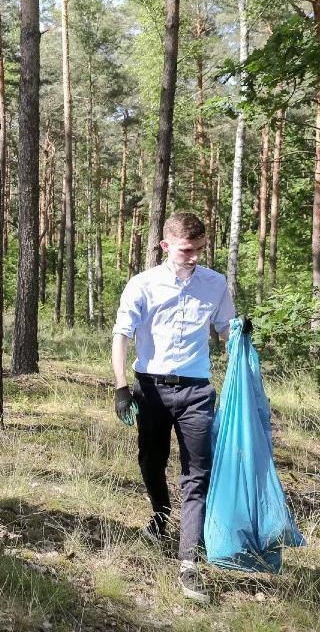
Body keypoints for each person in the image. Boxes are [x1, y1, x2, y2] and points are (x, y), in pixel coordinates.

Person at [112, 211, 241, 604]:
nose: (195, 257)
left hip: (197, 391)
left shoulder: (215, 284)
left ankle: (190, 564)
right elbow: (121, 336)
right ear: (166, 246)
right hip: (150, 389)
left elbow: (224, 331)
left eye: (200, 249)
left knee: (197, 473)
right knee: (151, 461)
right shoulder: (143, 285)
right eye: (187, 249)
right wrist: (121, 388)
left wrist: (238, 334)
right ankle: (160, 515)